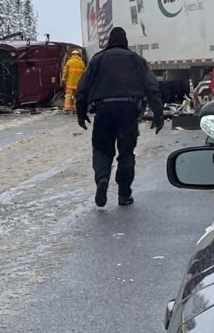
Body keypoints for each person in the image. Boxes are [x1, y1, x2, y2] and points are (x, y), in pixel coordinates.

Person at [74, 26, 164, 207]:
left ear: (109, 41)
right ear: (126, 41)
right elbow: (152, 87)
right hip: (128, 110)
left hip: (103, 110)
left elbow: (82, 88)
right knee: (126, 153)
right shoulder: (136, 60)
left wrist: (81, 113)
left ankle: (102, 178)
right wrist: (158, 114)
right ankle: (124, 194)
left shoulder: (97, 60)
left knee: (102, 149)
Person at [62, 49, 86, 114]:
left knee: (68, 95)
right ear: (79, 55)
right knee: (76, 96)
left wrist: (64, 79)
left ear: (72, 55)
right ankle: (76, 109)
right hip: (78, 84)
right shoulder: (82, 63)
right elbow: (84, 73)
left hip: (70, 83)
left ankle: (67, 109)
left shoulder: (69, 62)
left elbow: (65, 72)